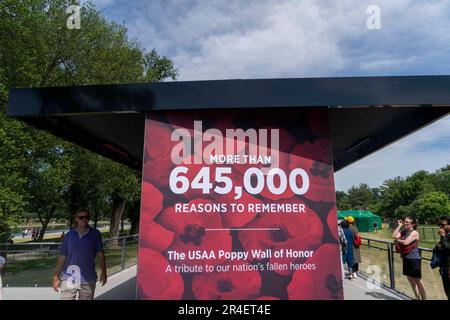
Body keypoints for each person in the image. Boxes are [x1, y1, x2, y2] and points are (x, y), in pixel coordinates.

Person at [53, 208, 107, 300]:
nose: (84, 220)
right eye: (81, 217)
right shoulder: (68, 236)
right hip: (69, 277)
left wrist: (104, 272)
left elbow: (100, 253)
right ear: (76, 219)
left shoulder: (95, 234)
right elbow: (62, 256)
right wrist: (55, 276)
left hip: (87, 277)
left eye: (86, 217)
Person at [392, 216, 426, 300]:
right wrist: (399, 226)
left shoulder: (414, 232)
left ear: (412, 224)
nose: (404, 223)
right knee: (410, 279)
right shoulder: (404, 231)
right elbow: (394, 236)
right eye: (404, 221)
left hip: (414, 258)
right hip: (406, 257)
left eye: (407, 222)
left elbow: (406, 242)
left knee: (417, 280)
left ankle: (424, 299)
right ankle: (417, 297)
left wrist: (397, 240)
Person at [435, 216, 450, 299]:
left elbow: (448, 248)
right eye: (439, 225)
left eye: (443, 225)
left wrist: (442, 236)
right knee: (447, 290)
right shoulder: (446, 235)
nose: (440, 227)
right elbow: (440, 247)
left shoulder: (445, 235)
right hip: (444, 267)